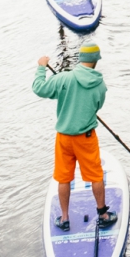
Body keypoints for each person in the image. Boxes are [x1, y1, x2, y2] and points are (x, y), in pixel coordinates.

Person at [33, 43, 117, 230]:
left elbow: (39, 88)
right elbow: (97, 107)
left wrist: (41, 67)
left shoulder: (63, 79)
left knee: (64, 178)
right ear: (96, 61)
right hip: (86, 138)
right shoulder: (101, 86)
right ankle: (103, 214)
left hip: (63, 138)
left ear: (80, 59)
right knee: (95, 176)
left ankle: (64, 219)